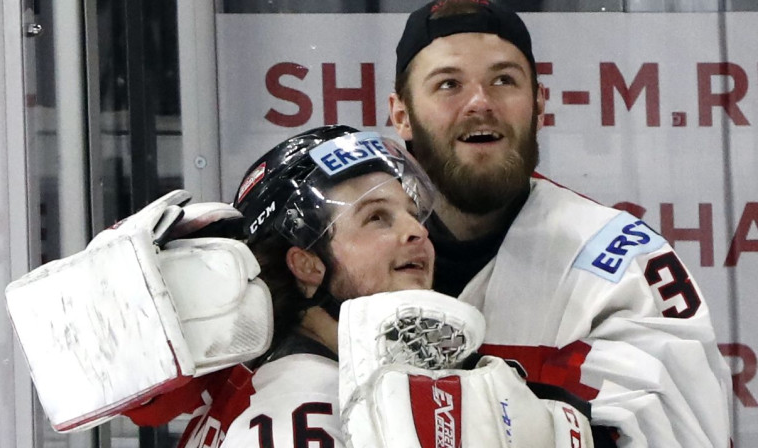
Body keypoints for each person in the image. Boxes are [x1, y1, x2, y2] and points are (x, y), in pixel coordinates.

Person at [388, 1, 732, 447]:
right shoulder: (344, 256)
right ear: (401, 115)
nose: (481, 102)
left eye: (503, 80)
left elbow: (680, 431)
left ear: (539, 103)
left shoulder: (620, 259)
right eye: (449, 84)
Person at [124, 125, 594, 447]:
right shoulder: (320, 405)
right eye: (377, 218)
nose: (417, 232)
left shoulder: (259, 381)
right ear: (307, 264)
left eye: (411, 214)